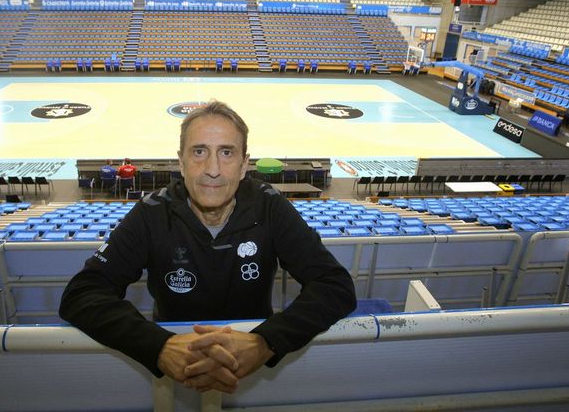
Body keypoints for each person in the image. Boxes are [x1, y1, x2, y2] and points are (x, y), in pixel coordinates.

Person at [59, 101, 355, 394]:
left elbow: (335, 285)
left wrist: (265, 342)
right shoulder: (152, 213)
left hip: (253, 371)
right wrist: (158, 345)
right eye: (199, 152)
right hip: (173, 372)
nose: (212, 169)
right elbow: (82, 294)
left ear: (243, 165)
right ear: (181, 162)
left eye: (226, 153)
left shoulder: (271, 207)